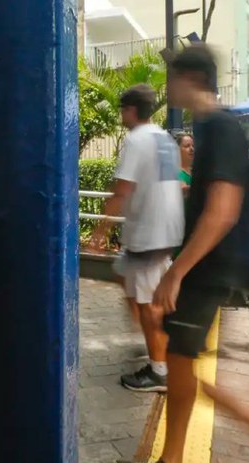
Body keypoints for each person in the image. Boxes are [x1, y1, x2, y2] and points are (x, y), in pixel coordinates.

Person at [112, 45, 249, 463]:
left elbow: (222, 211)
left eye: (172, 78)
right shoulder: (213, 127)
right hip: (210, 267)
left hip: (206, 269)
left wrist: (176, 272)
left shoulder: (219, 126)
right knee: (182, 363)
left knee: (179, 363)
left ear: (190, 79)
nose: (168, 88)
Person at [89, 84, 185, 392]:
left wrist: (100, 231)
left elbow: (121, 190)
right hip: (166, 230)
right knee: (123, 273)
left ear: (131, 110)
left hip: (149, 233)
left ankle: (159, 371)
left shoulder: (136, 139)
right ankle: (154, 341)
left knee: (149, 306)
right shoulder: (164, 139)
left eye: (122, 109)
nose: (121, 115)